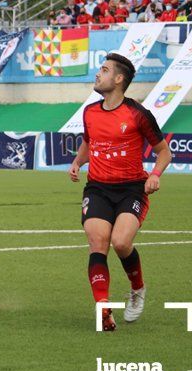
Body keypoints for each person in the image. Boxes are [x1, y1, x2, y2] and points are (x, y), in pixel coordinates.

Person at [69, 53, 172, 331]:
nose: (97, 74)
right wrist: (78, 161)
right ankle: (104, 310)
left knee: (122, 242)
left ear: (118, 79)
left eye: (103, 70)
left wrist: (155, 174)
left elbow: (164, 152)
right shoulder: (90, 111)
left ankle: (137, 289)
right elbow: (90, 143)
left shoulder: (138, 114)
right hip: (98, 188)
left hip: (131, 189)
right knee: (97, 241)